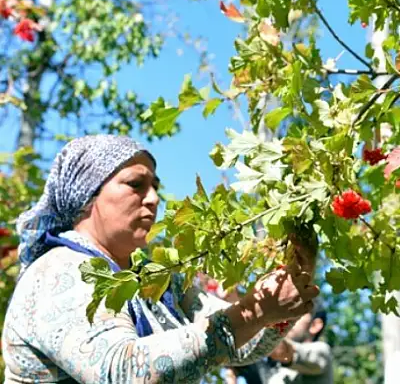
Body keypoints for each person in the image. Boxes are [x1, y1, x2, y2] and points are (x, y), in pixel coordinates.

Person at [2, 134, 319, 383]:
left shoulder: (158, 285)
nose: (153, 198)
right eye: (135, 184)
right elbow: (124, 372)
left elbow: (239, 344)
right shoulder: (59, 271)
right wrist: (252, 313)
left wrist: (286, 287)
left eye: (155, 186)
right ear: (87, 198)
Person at [256, 302, 333, 383]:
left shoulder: (321, 350)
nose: (285, 318)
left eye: (296, 313)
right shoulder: (274, 365)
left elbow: (281, 351)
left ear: (315, 325)